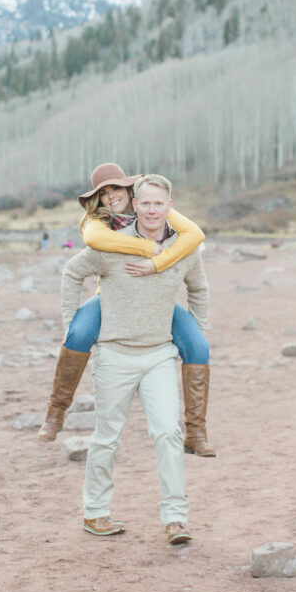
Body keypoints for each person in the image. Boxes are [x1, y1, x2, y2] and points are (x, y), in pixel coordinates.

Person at [61, 174, 209, 543]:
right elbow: (72, 273)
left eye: (159, 203)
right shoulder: (112, 244)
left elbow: (199, 288)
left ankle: (176, 519)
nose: (152, 210)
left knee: (168, 434)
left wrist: (196, 329)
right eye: (145, 203)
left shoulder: (182, 249)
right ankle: (95, 513)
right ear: (134, 206)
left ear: (169, 207)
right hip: (114, 355)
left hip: (159, 355)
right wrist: (70, 324)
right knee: (107, 437)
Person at [37, 162, 215, 456]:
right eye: (103, 193)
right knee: (78, 333)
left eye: (115, 188)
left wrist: (159, 263)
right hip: (113, 300)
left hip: (158, 302)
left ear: (128, 190)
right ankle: (56, 413)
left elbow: (194, 234)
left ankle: (196, 432)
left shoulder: (151, 207)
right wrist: (147, 249)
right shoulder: (97, 221)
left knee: (198, 345)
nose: (110, 197)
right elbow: (92, 243)